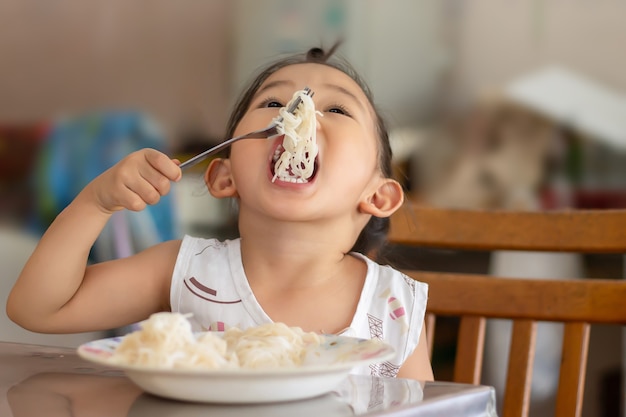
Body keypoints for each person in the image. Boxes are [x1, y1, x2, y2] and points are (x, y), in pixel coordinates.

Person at [6, 45, 434, 380]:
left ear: (377, 197)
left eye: (337, 110)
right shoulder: (186, 272)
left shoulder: (392, 305)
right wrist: (95, 203)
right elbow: (38, 309)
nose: (298, 113)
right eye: (272, 104)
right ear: (223, 177)